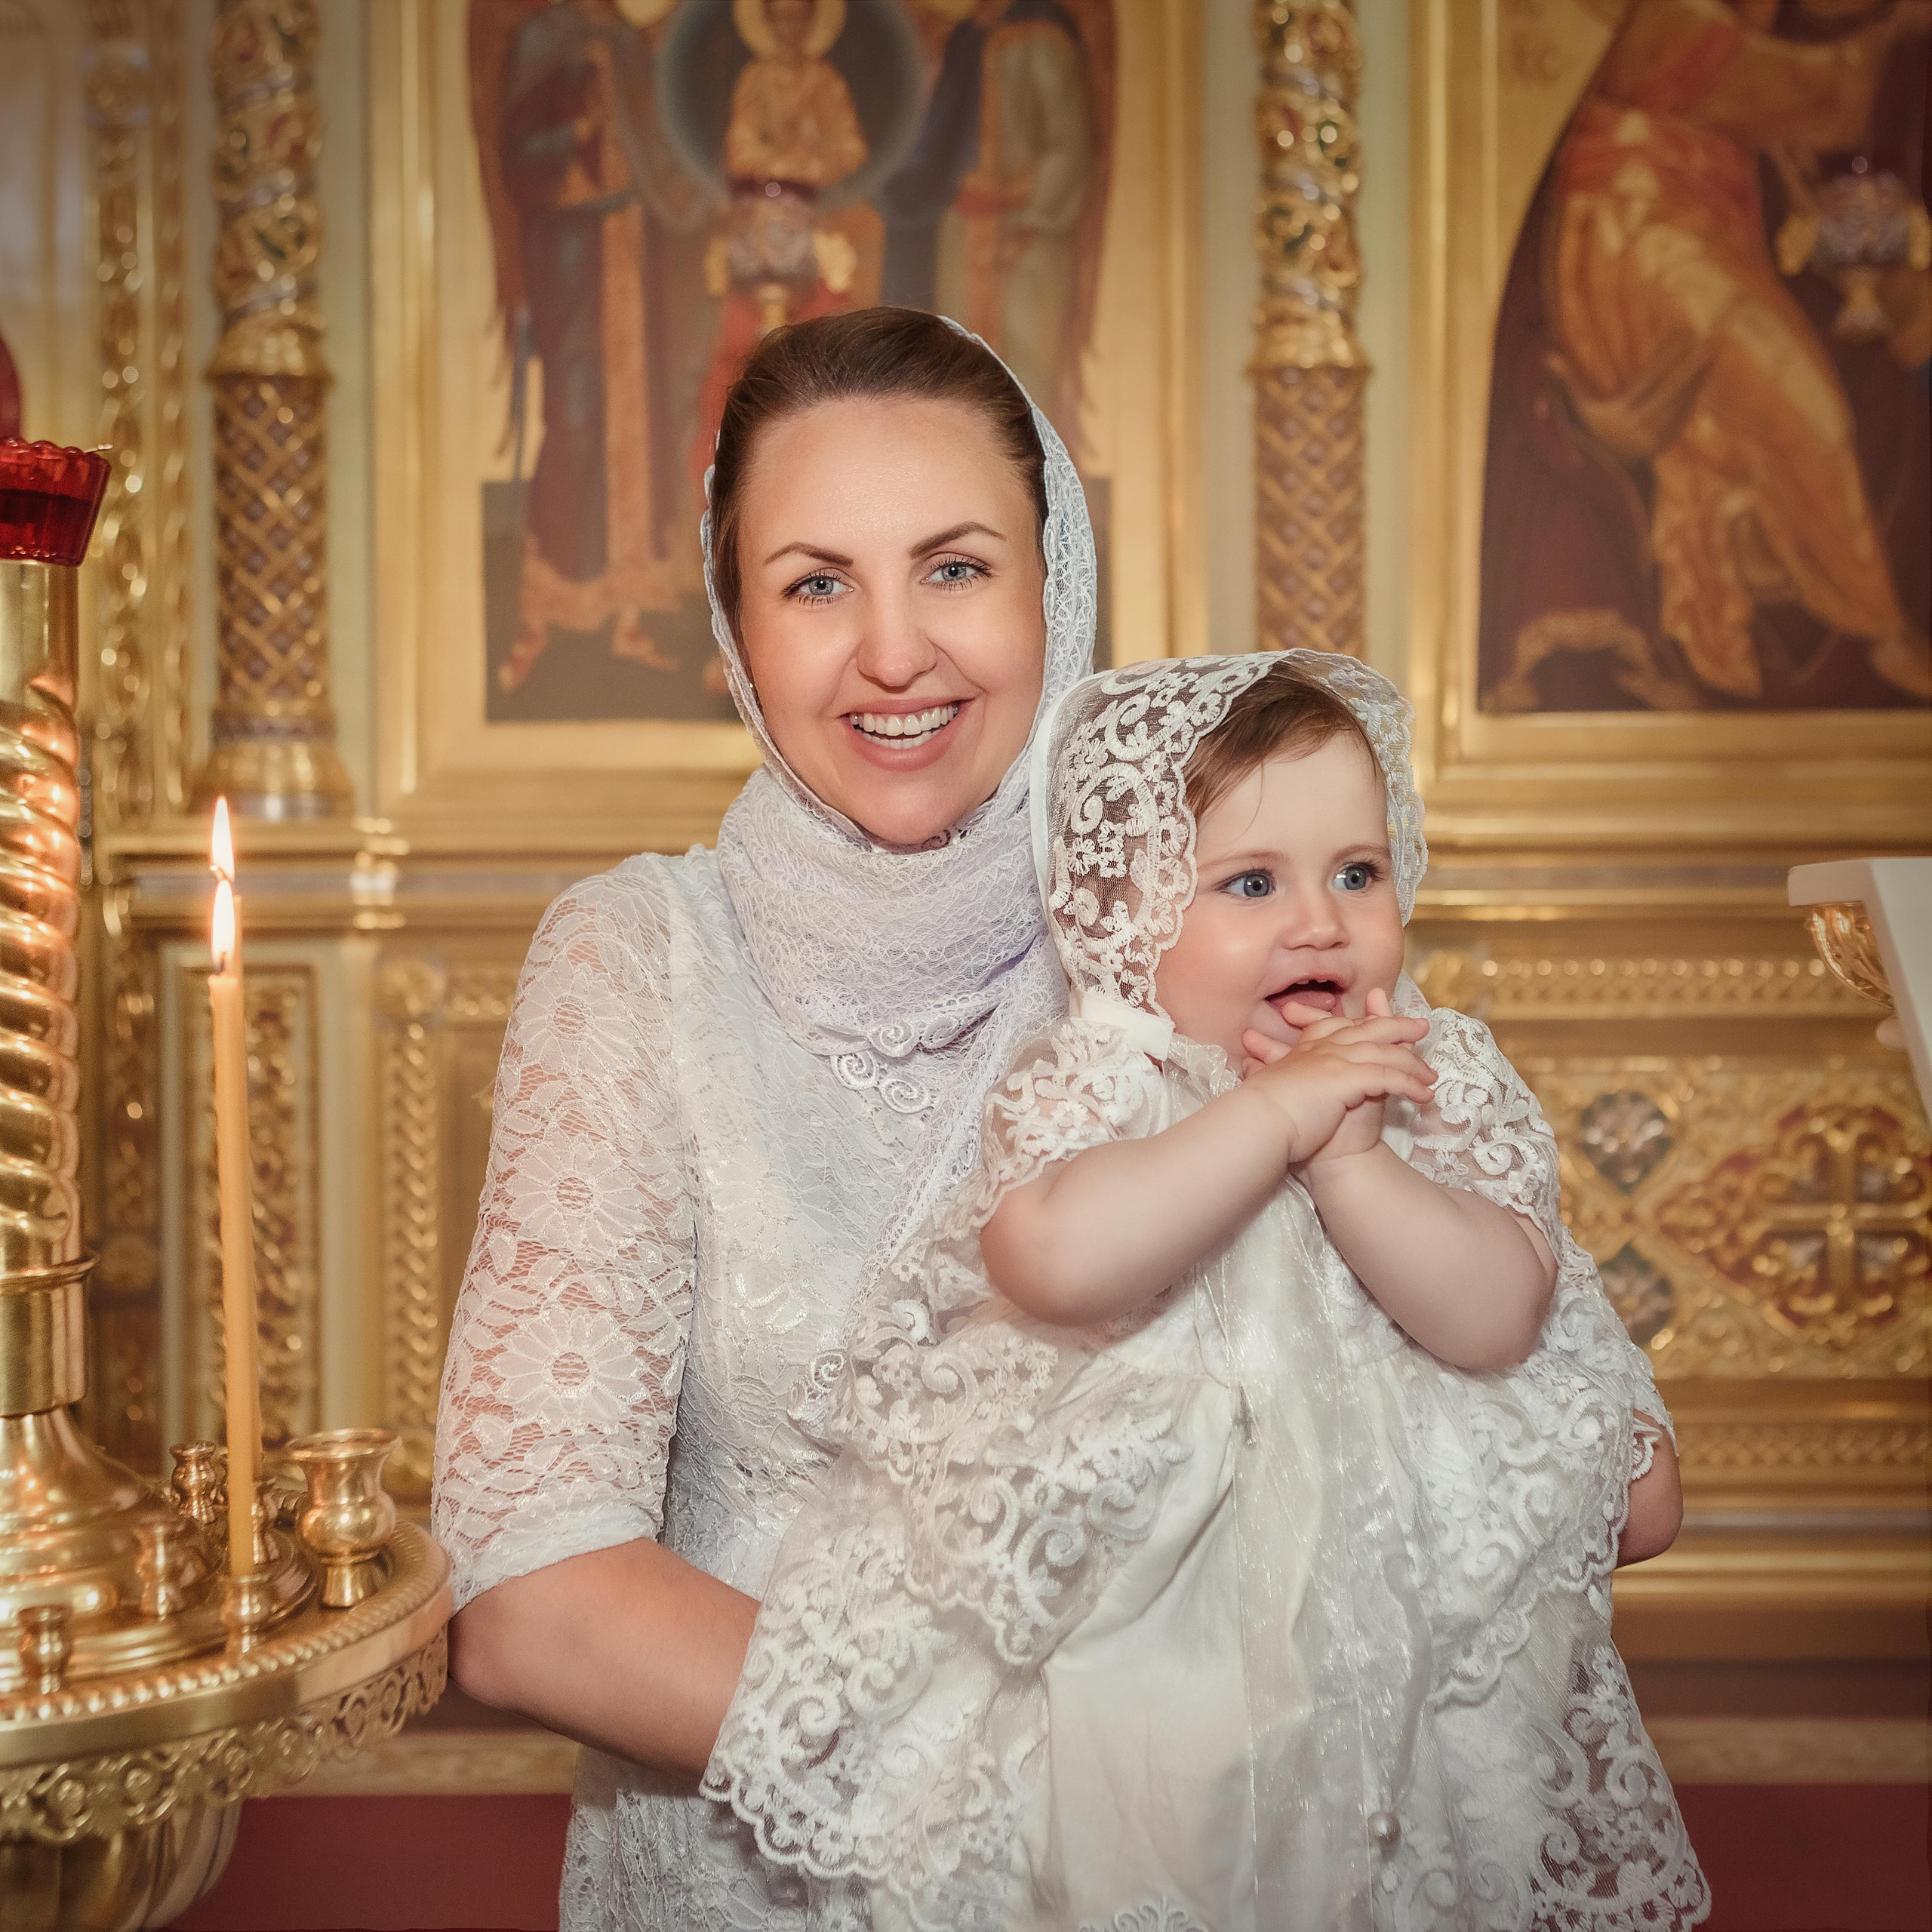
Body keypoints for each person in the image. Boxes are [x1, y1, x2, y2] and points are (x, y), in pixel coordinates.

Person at [704, 652, 1708, 1930]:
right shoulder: (1109, 1085)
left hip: (1406, 1657)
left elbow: (1498, 1313)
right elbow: (1054, 1259)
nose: (1321, 921)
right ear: (1126, 918)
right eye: (1251, 883)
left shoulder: (1431, 1079)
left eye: (1358, 871)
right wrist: (1270, 1116)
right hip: (1162, 1649)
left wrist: (1350, 1163)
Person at [433, 306, 1099, 1925]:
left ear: (1058, 585)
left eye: (953, 567)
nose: (891, 650)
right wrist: (1052, 1781)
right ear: (733, 632)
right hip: (761, 1872)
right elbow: (532, 1590)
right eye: (816, 582)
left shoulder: (1209, 922)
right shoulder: (641, 958)